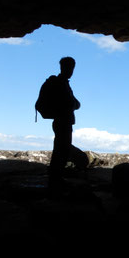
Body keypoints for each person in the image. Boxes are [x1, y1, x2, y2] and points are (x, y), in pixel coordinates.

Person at [47, 57, 82, 187]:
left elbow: (73, 102)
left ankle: (56, 177)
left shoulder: (62, 83)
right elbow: (73, 103)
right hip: (63, 121)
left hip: (60, 121)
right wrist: (74, 104)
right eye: (71, 68)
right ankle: (56, 178)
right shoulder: (62, 84)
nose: (71, 71)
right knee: (61, 150)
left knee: (60, 149)